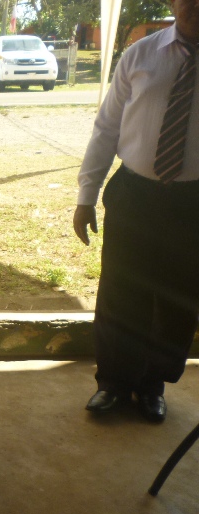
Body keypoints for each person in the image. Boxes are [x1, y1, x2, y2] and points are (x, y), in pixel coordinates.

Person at [73, 0, 199, 424]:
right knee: (120, 292)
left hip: (192, 203)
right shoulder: (141, 55)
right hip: (135, 194)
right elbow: (107, 127)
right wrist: (86, 195)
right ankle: (112, 382)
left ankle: (151, 386)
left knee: (177, 299)